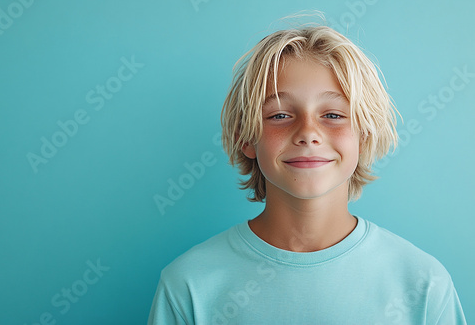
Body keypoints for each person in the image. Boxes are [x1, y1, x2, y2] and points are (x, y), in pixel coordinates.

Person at [148, 17, 467, 324]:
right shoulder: (188, 286)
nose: (308, 132)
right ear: (246, 138)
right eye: (279, 115)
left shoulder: (424, 285)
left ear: (364, 135)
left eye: (332, 115)